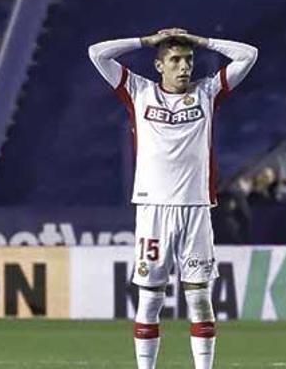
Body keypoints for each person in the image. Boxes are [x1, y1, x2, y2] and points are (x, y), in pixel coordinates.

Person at [88, 27, 259, 369]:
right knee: (150, 300)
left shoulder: (207, 92)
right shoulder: (138, 91)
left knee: (199, 299)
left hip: (196, 208)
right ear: (158, 66)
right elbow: (97, 52)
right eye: (176, 60)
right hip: (153, 208)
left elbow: (249, 54)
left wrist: (201, 41)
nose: (184, 67)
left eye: (189, 60)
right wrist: (146, 41)